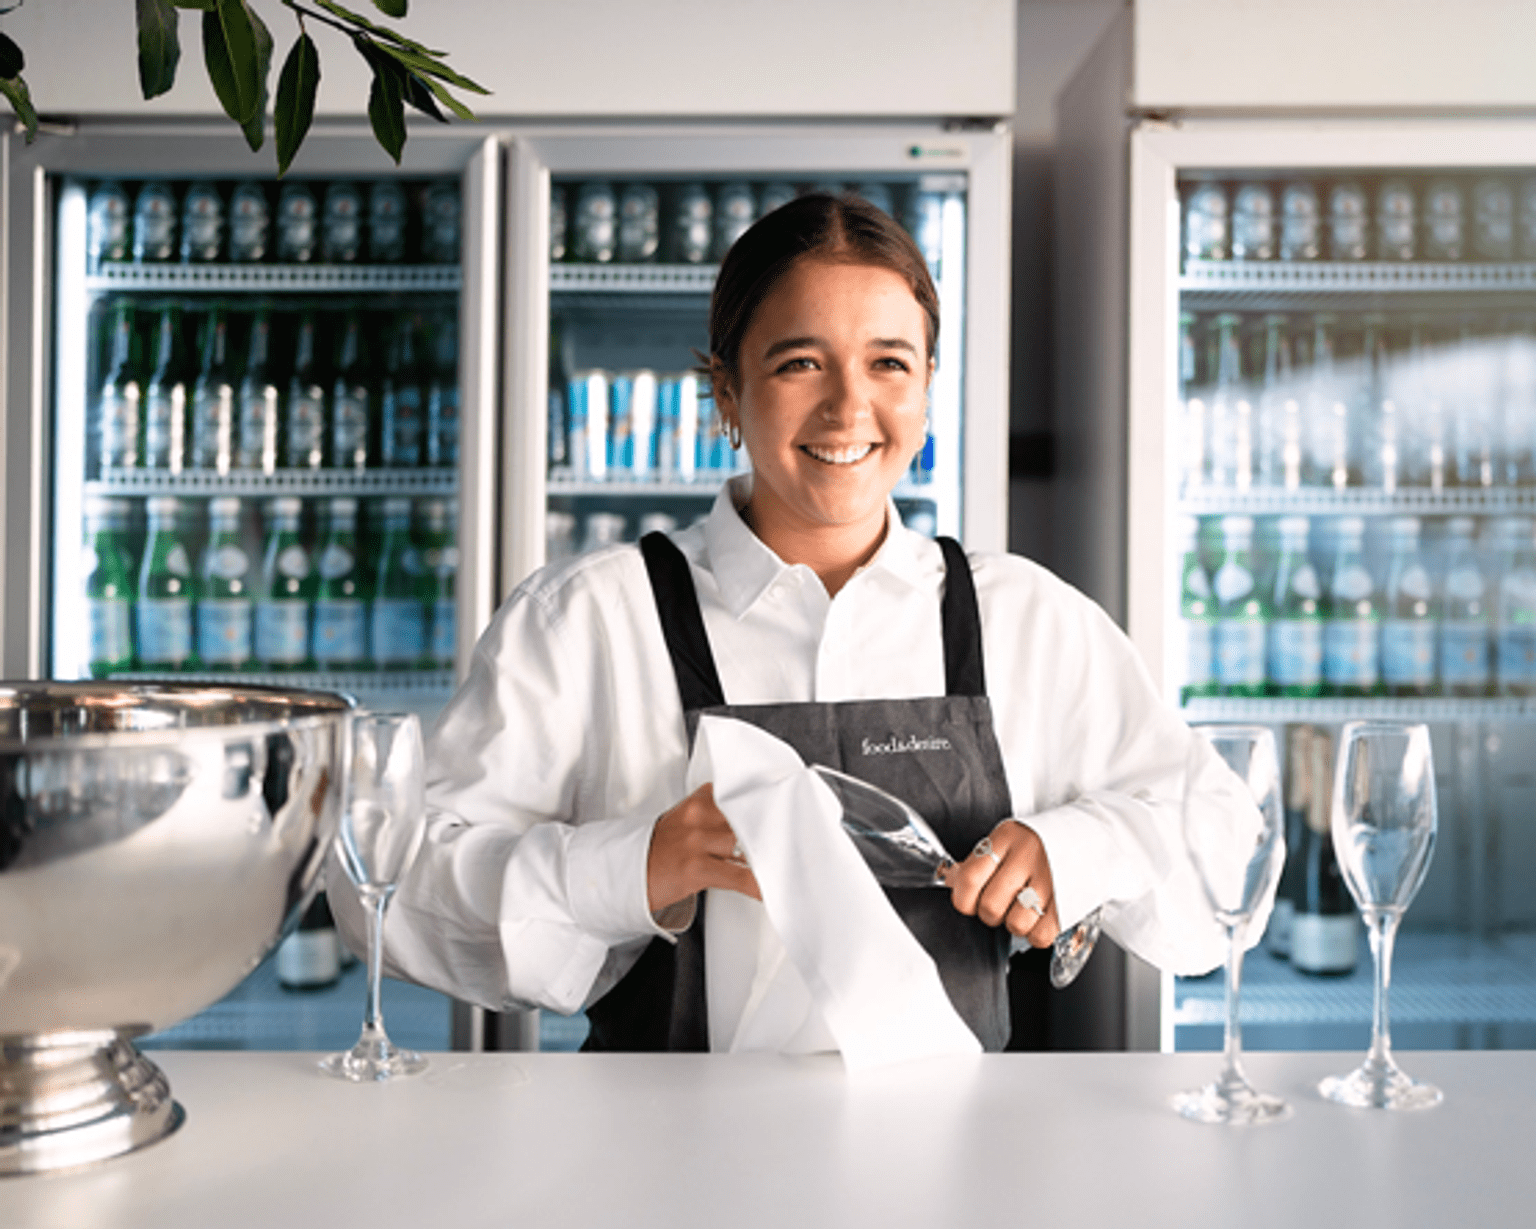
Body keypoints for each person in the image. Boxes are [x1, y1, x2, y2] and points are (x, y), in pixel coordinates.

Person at [332, 194, 1254, 1053]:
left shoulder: (1026, 619)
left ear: (927, 390)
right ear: (727, 393)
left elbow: (1228, 855)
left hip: (947, 1165)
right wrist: (631, 866)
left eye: (889, 362)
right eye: (800, 361)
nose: (849, 406)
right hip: (653, 1164)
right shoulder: (589, 620)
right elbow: (386, 890)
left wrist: (1079, 849)